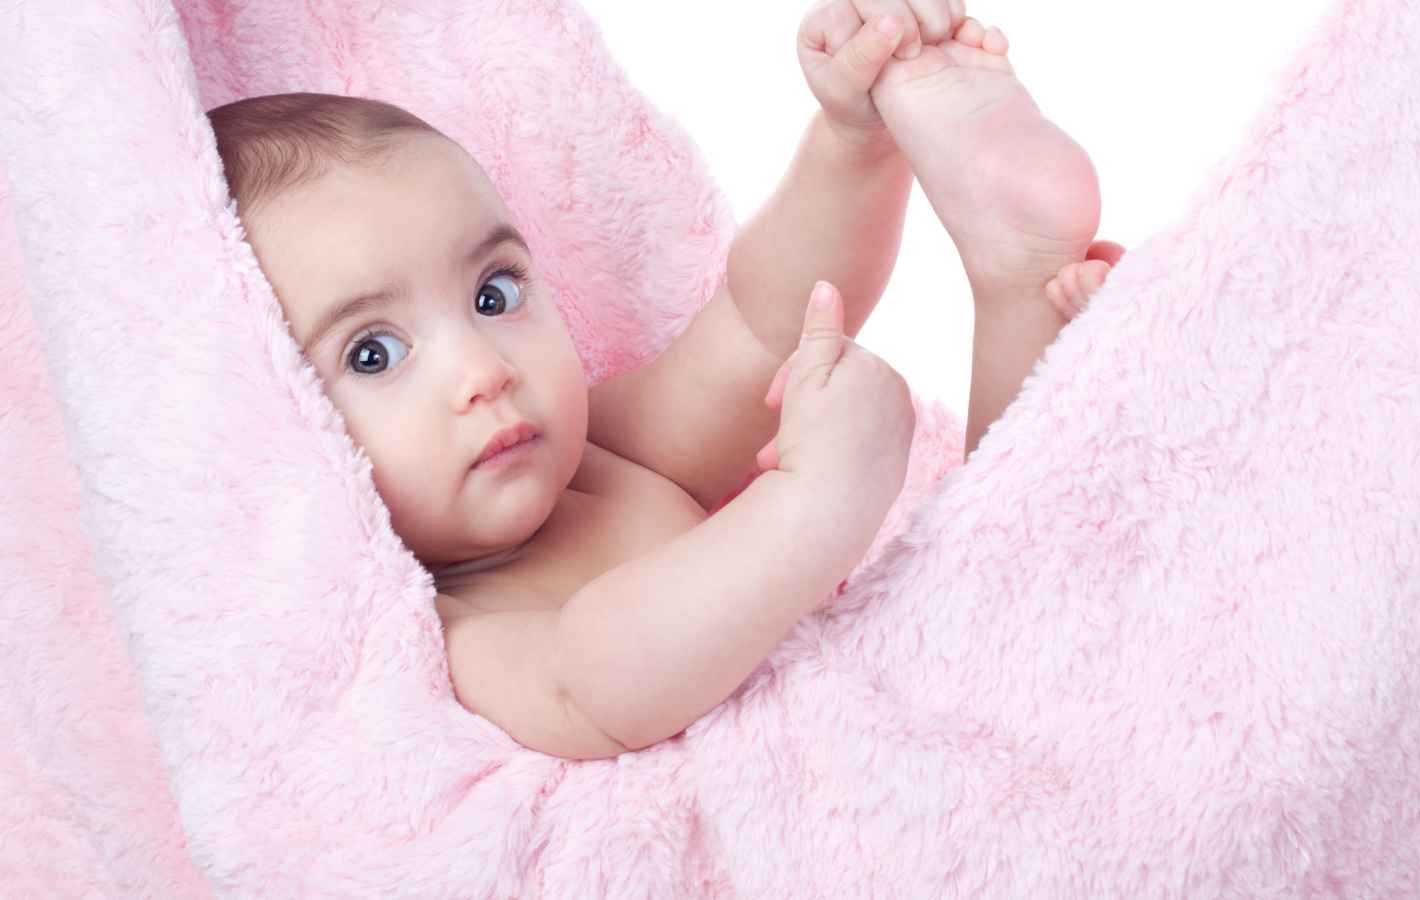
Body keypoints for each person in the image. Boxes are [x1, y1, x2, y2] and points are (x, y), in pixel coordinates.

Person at [207, 0, 1120, 760]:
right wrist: (816, 500)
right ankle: (1024, 292)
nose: (483, 371)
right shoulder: (447, 637)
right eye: (373, 354)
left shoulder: (601, 454)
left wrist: (853, 143)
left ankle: (1015, 275)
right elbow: (598, 684)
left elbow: (764, 320)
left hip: (906, 694)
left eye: (493, 293)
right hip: (833, 803)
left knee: (1014, 568)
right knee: (995, 636)